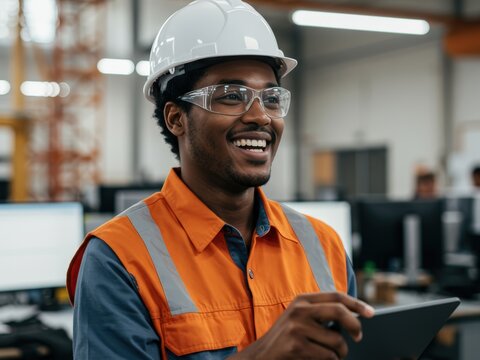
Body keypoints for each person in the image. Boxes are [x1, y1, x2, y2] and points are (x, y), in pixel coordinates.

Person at [67, 0, 374, 359]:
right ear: (176, 118)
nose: (261, 116)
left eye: (272, 98)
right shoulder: (117, 258)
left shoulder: (324, 245)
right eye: (231, 96)